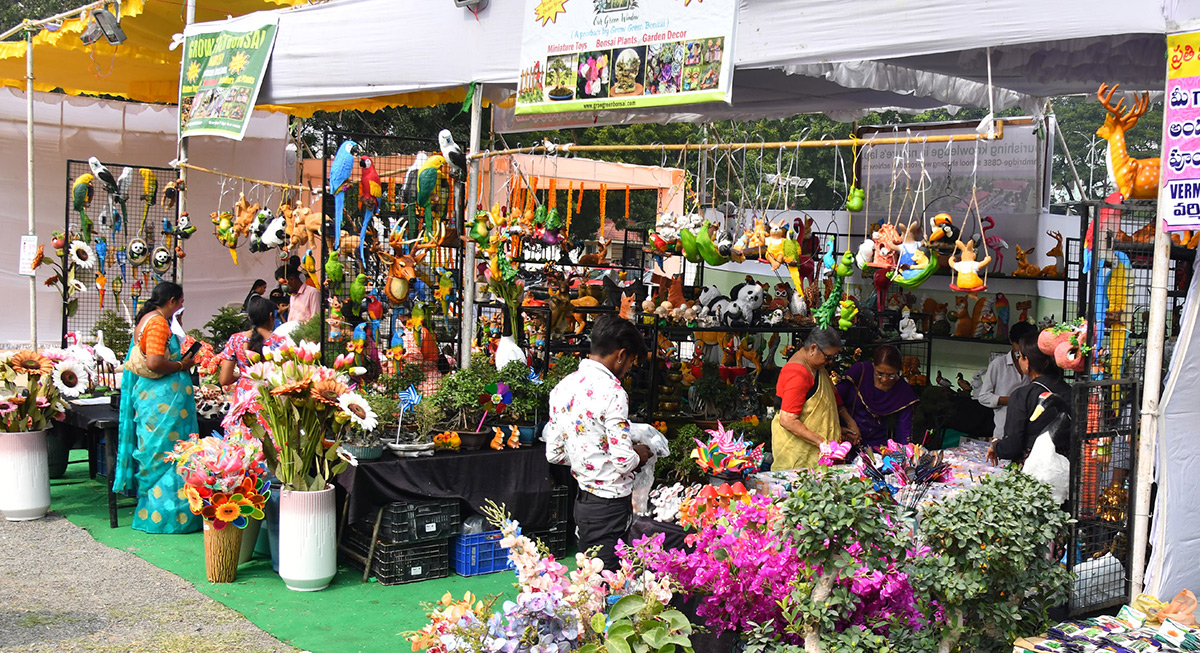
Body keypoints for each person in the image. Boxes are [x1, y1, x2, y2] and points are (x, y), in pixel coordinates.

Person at [544, 315, 652, 570]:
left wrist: (589, 455)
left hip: (583, 504)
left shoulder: (562, 387)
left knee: (590, 578)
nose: (628, 369)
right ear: (621, 355)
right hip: (611, 506)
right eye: (631, 362)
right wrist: (641, 454)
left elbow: (554, 453)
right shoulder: (613, 391)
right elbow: (624, 461)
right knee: (608, 581)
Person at [113, 282, 201, 534]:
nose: (182, 305)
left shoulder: (146, 319)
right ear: (172, 300)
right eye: (181, 301)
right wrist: (181, 366)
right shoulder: (158, 322)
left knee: (163, 453)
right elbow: (154, 362)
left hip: (159, 400)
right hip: (163, 402)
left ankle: (160, 514)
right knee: (170, 455)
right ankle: (168, 518)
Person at [771, 328, 860, 471]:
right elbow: (788, 420)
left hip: (817, 453)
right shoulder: (798, 373)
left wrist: (847, 424)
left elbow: (831, 398)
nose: (830, 362)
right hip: (798, 457)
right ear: (813, 348)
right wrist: (823, 443)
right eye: (828, 357)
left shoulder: (815, 366)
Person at [990, 331, 1073, 465]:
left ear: (1027, 361)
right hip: (1066, 469)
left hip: (1033, 474)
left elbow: (1011, 447)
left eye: (1020, 356)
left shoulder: (1023, 395)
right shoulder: (1071, 392)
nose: (1018, 360)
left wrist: (996, 445)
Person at [835, 345, 917, 451]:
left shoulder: (903, 391)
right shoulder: (860, 372)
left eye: (891, 375)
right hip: (844, 436)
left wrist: (902, 455)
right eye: (879, 374)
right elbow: (835, 399)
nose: (884, 379)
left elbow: (904, 431)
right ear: (873, 365)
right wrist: (850, 423)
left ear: (898, 370)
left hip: (876, 445)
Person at [973, 321, 1036, 443]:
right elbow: (983, 397)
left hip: (1030, 433)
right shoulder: (998, 365)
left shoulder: (1035, 365)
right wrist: (1011, 400)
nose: (1022, 349)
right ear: (1011, 341)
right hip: (1003, 433)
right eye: (1019, 345)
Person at [219, 295, 286, 399]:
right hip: (272, 401)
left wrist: (243, 375)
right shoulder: (281, 342)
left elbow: (224, 380)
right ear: (271, 315)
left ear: (249, 317)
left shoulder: (236, 340)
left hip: (243, 401)